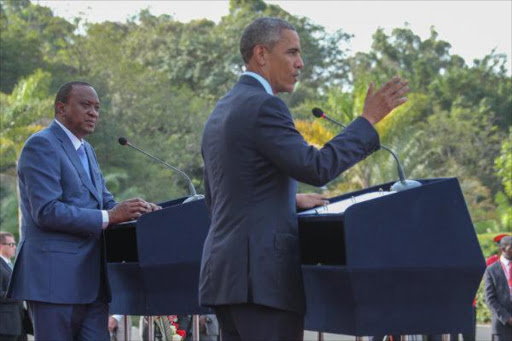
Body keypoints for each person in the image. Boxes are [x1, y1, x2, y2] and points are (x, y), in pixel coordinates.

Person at [199, 17, 409, 340]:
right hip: (261, 282)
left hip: (226, 278)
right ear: (261, 54)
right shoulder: (265, 106)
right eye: (292, 52)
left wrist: (287, 201)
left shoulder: (222, 109)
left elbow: (222, 196)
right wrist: (368, 121)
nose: (300, 63)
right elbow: (316, 167)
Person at [6, 81, 160, 341]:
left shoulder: (87, 151)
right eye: (85, 105)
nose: (93, 113)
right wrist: (110, 216)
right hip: (55, 281)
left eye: (97, 108)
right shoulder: (41, 145)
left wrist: (138, 210)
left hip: (92, 283)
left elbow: (106, 202)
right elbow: (46, 211)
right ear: (61, 108)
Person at [0, 232, 28, 341]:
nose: (15, 247)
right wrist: (18, 294)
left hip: (19, 323)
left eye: (15, 244)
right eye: (11, 244)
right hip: (5, 326)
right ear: (1, 246)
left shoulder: (10, 264)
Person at [485, 235, 512, 340]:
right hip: (502, 327)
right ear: (502, 249)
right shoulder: (491, 270)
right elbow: (490, 299)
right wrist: (507, 318)